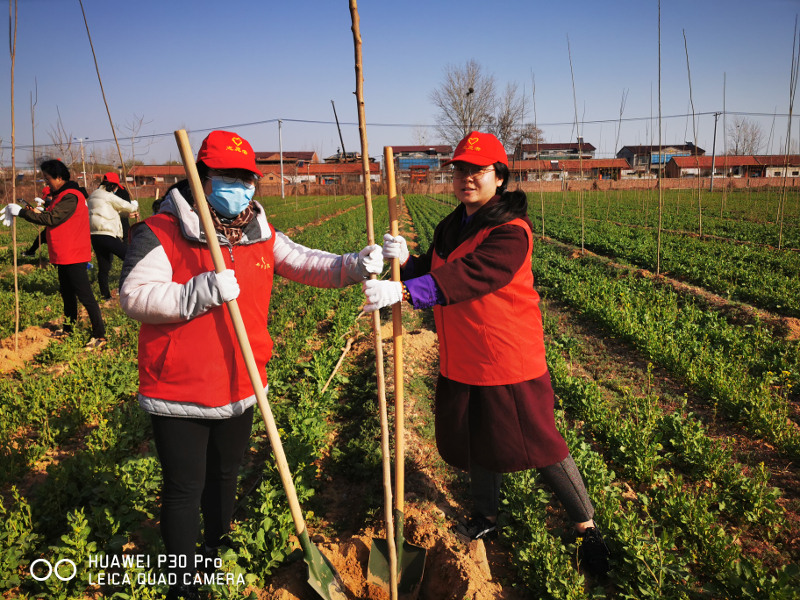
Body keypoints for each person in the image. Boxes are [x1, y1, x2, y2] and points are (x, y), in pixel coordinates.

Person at [118, 130, 383, 600]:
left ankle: (217, 557)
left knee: (225, 476)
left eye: (246, 177)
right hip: (178, 386)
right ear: (202, 177)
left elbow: (307, 263)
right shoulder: (160, 231)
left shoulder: (259, 232)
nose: (239, 185)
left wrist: (355, 264)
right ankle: (184, 584)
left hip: (241, 382)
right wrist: (198, 292)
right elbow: (135, 296)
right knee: (184, 487)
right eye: (228, 176)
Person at [363, 132, 611, 577]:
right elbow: (443, 267)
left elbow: (472, 275)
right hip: (462, 354)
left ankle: (586, 524)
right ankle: (486, 516)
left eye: (477, 170)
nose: (466, 179)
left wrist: (402, 290)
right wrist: (410, 262)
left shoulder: (511, 233)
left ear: (499, 176)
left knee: (542, 443)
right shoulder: (452, 224)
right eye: (460, 170)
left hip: (506, 357)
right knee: (476, 438)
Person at [3, 160, 106, 349]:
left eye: (47, 179)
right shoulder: (62, 195)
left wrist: (23, 214)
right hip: (64, 253)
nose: (46, 183)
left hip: (73, 254)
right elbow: (52, 214)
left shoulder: (71, 196)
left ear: (59, 177)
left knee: (85, 296)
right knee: (67, 293)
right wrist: (33, 211)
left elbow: (52, 218)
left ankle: (100, 335)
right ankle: (69, 328)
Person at [88, 180, 139, 300]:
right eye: (115, 188)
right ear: (111, 186)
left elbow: (108, 211)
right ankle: (129, 288)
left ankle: (105, 296)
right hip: (107, 233)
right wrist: (135, 205)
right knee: (130, 256)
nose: (116, 190)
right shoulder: (108, 196)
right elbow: (126, 206)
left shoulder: (94, 195)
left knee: (104, 266)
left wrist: (126, 215)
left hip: (95, 235)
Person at [100, 172, 137, 243]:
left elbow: (127, 207)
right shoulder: (101, 194)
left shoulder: (123, 192)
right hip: (109, 229)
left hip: (123, 227)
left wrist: (132, 207)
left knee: (126, 248)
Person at [21, 185, 52, 258]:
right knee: (41, 238)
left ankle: (56, 261)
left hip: (57, 227)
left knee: (52, 242)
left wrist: (41, 211)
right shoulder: (54, 202)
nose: (47, 199)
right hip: (51, 226)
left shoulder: (59, 202)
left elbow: (52, 216)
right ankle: (31, 252)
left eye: (48, 197)